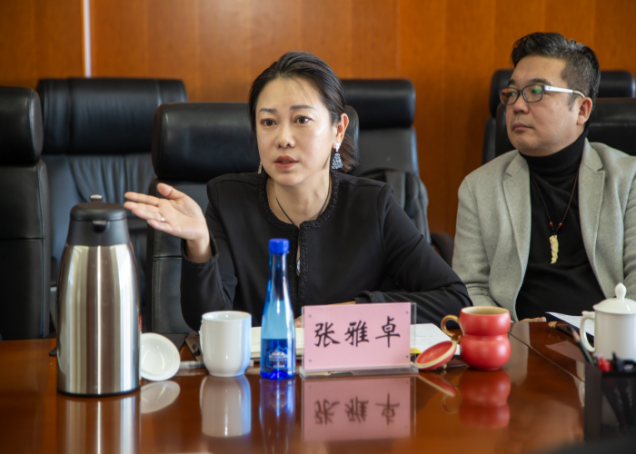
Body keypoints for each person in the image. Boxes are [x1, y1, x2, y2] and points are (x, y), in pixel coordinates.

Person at [125, 51, 470, 330]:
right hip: (259, 384)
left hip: (349, 385)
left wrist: (349, 313)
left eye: (301, 119)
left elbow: (454, 300)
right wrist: (200, 244)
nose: (283, 138)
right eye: (268, 122)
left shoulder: (373, 205)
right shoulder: (228, 201)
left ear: (338, 130)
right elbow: (207, 321)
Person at [453, 32, 636, 322]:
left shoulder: (629, 179)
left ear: (582, 110)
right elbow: (470, 286)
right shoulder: (478, 188)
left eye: (536, 91)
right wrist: (511, 333)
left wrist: (611, 334)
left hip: (606, 341)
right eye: (512, 93)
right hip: (516, 344)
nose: (517, 105)